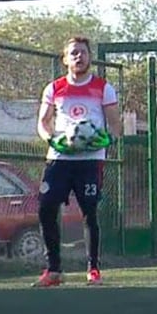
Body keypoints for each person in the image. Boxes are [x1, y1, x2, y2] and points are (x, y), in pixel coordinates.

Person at [32, 36, 121, 287]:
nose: (78, 57)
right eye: (73, 53)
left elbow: (115, 125)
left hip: (89, 161)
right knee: (46, 208)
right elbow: (42, 123)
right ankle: (54, 270)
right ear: (65, 59)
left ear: (89, 57)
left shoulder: (104, 88)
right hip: (59, 159)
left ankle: (93, 270)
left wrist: (106, 141)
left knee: (89, 212)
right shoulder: (54, 88)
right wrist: (51, 140)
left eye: (82, 52)